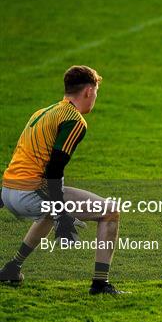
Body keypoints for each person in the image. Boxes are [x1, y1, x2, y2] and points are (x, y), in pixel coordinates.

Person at [0, 65, 127, 293]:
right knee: (110, 211)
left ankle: (12, 268)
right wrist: (61, 212)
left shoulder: (41, 112)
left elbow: (21, 156)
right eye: (96, 92)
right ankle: (100, 284)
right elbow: (54, 169)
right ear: (88, 91)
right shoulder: (74, 120)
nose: (95, 98)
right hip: (30, 191)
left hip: (9, 190)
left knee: (51, 208)